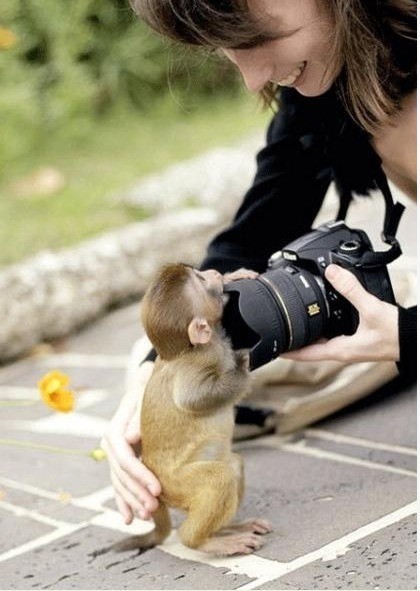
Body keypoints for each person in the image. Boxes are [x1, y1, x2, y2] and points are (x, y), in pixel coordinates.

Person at [101, 0, 416, 525]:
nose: (252, 80)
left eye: (254, 39)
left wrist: (408, 337)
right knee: (224, 354)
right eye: (229, 48)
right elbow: (260, 225)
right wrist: (157, 375)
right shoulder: (335, 67)